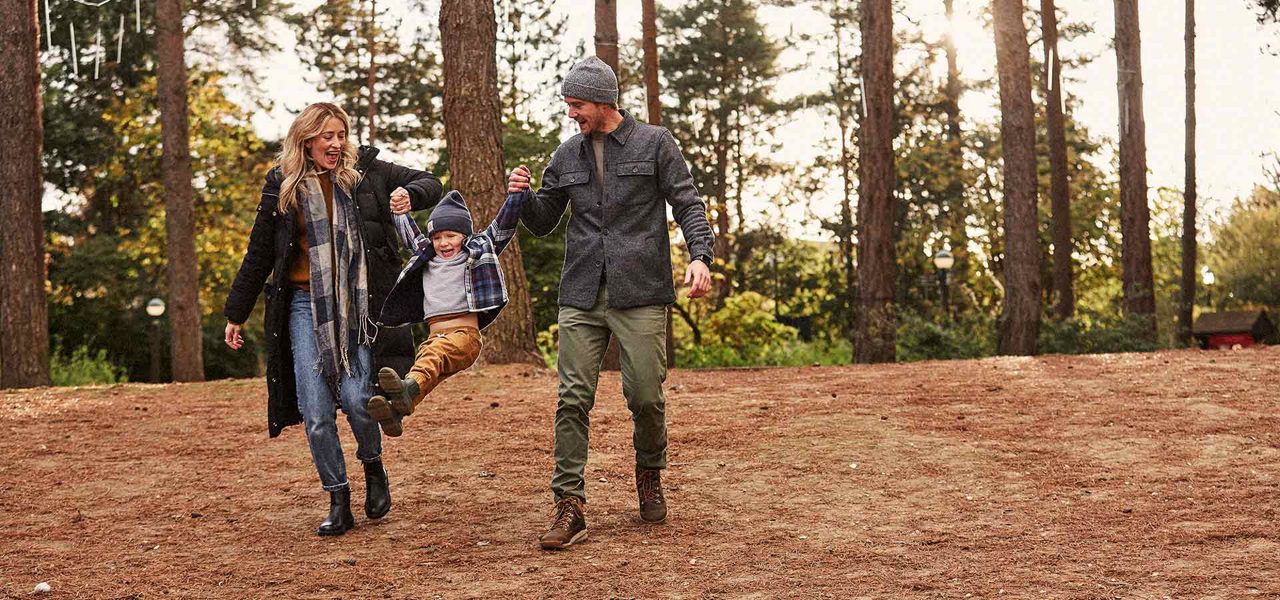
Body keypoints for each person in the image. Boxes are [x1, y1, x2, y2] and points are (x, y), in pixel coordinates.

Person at [507, 57, 715, 550]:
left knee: (645, 394)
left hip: (640, 291)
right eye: (568, 105)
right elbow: (542, 221)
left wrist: (701, 256)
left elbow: (688, 202)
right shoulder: (565, 154)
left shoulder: (656, 143)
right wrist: (520, 198)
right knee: (572, 398)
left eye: (576, 105)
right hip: (581, 293)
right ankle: (569, 506)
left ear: (603, 101)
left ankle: (649, 473)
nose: (571, 114)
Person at [222, 102, 443, 536]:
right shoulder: (281, 186)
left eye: (341, 135)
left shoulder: (369, 173)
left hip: (357, 307)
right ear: (307, 140)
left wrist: (410, 196)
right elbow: (260, 254)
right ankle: (337, 496)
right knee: (317, 410)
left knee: (359, 398)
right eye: (328, 136)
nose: (337, 144)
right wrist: (236, 313)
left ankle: (373, 466)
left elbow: (430, 182)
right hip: (304, 306)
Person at [365, 189, 527, 436]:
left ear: (464, 235)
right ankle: (394, 413)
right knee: (426, 373)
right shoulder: (426, 255)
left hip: (464, 337)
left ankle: (406, 391)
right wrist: (399, 211)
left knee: (430, 359)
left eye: (451, 235)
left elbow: (502, 226)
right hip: (435, 338)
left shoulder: (477, 251)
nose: (444, 243)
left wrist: (516, 194)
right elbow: (410, 236)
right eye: (437, 237)